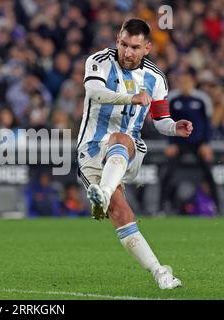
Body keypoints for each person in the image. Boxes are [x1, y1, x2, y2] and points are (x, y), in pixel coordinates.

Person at [77, 19, 193, 290]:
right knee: (120, 213)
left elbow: (161, 119)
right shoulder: (99, 61)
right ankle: (161, 273)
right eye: (124, 44)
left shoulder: (156, 78)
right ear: (118, 39)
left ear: (148, 47)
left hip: (128, 151)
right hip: (91, 151)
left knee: (122, 138)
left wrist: (174, 127)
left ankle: (102, 194)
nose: (127, 53)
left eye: (135, 47)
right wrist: (130, 98)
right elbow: (94, 92)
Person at [159, 70, 219, 214]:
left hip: (198, 143)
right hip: (178, 142)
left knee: (209, 175)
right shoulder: (173, 98)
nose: (184, 84)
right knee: (168, 173)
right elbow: (167, 122)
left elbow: (207, 124)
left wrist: (206, 144)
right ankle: (161, 208)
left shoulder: (202, 99)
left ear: (193, 82)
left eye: (187, 81)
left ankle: (219, 207)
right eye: (182, 81)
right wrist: (170, 143)